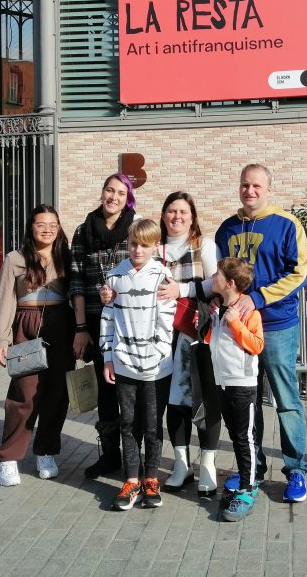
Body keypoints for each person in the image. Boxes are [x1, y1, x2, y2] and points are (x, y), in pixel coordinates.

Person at [214, 163, 307, 504]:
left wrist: (256, 299)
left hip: (276, 325)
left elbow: (299, 271)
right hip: (237, 332)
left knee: (286, 400)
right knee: (247, 403)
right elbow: (221, 276)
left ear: (269, 189)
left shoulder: (287, 225)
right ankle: (251, 468)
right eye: (244, 185)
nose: (249, 191)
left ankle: (296, 468)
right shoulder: (226, 229)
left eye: (256, 185)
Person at [0, 205, 76, 487]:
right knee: (23, 394)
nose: (48, 229)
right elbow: (6, 301)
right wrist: (2, 339)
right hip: (27, 326)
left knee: (57, 393)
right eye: (41, 223)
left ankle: (46, 451)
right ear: (31, 227)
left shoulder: (67, 256)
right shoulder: (15, 259)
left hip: (61, 324)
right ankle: (7, 458)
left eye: (53, 224)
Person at [100, 219, 176, 511]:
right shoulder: (115, 277)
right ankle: (132, 479)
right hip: (124, 365)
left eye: (144, 245)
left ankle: (151, 478)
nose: (138, 250)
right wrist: (108, 356)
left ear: (155, 246)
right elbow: (107, 320)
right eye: (133, 244)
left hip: (157, 367)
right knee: (128, 422)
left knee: (153, 425)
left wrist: (154, 355)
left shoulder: (163, 278)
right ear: (126, 244)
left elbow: (166, 324)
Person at [69, 173, 137, 479]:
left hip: (134, 322)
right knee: (106, 394)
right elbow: (77, 282)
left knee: (132, 392)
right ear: (102, 192)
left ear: (127, 198)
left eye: (121, 193)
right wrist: (81, 327)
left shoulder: (136, 228)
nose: (114, 197)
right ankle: (110, 456)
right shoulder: (83, 231)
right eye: (110, 190)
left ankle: (135, 461)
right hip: (98, 323)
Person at [155, 192, 222, 495]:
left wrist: (181, 290)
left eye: (183, 211)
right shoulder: (153, 247)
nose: (177, 217)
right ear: (163, 215)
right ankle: (181, 464)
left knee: (204, 397)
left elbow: (216, 282)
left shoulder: (204, 246)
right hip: (159, 336)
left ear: (193, 216)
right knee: (175, 401)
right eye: (171, 211)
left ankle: (207, 463)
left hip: (196, 334)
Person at [202, 257, 265, 522]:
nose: (212, 278)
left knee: (245, 439)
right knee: (236, 435)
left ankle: (249, 489)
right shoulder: (219, 307)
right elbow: (211, 341)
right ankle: (242, 483)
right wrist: (211, 317)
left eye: (216, 275)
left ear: (228, 283)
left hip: (242, 384)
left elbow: (256, 345)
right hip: (222, 382)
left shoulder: (249, 312)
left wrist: (235, 323)